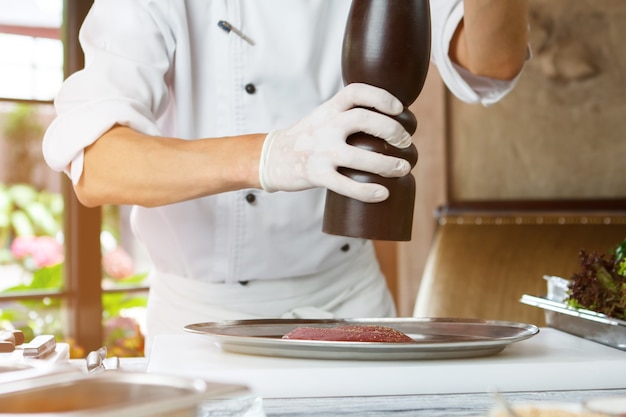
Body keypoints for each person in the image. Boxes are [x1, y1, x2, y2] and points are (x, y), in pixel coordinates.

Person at [42, 0, 530, 354]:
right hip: (203, 320)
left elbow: (491, 61)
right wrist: (272, 156)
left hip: (348, 299)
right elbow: (97, 165)